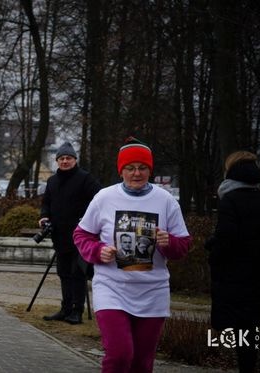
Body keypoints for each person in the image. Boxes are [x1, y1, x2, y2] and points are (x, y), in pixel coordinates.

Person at [73, 137, 191, 372]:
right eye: (130, 168)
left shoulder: (166, 201)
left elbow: (183, 245)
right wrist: (98, 251)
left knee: (141, 363)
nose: (136, 173)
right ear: (121, 170)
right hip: (112, 288)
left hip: (152, 291)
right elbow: (81, 235)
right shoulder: (105, 197)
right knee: (119, 355)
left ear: (150, 169)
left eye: (142, 168)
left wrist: (169, 243)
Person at [205, 151, 260, 373]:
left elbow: (226, 235)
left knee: (235, 326)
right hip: (256, 272)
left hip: (232, 273)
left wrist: (212, 250)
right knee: (251, 326)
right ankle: (249, 366)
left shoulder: (230, 199)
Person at [39, 142, 101, 325]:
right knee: (63, 273)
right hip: (59, 235)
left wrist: (88, 220)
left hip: (81, 236)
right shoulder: (52, 181)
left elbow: (99, 200)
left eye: (68, 158)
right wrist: (44, 216)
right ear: (57, 161)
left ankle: (77, 311)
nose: (65, 161)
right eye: (61, 158)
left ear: (75, 160)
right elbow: (46, 203)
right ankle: (65, 309)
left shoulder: (85, 179)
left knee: (78, 273)